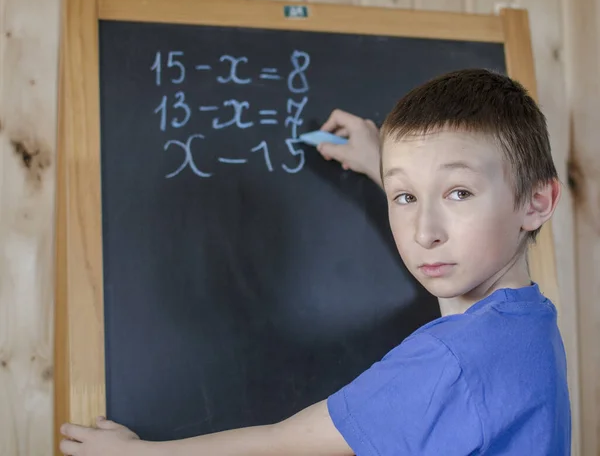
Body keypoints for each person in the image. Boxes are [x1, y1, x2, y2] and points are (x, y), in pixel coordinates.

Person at [59, 68, 571, 455]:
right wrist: (383, 166)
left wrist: (137, 454)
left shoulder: (451, 360)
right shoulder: (528, 324)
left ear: (537, 202)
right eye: (405, 197)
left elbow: (286, 443)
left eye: (459, 193)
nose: (425, 233)